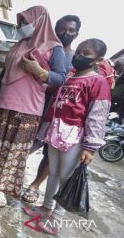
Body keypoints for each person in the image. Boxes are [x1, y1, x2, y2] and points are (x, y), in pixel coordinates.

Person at [0, 6, 66, 208]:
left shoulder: (54, 48)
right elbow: (5, 72)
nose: (22, 27)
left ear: (40, 21)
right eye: (21, 23)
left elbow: (60, 78)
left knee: (13, 152)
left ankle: (0, 188)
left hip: (28, 108)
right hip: (4, 102)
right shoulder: (20, 44)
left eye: (25, 23)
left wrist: (40, 72)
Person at [24, 38, 111, 235]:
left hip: (76, 137)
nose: (80, 55)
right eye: (79, 51)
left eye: (86, 53)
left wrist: (90, 147)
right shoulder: (69, 77)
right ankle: (46, 208)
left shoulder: (97, 82)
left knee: (66, 177)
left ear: (98, 60)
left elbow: (97, 115)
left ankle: (56, 221)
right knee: (53, 172)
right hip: (56, 131)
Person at [21, 15, 81, 204]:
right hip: (35, 104)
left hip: (60, 112)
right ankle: (7, 178)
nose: (67, 33)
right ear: (55, 29)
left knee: (50, 153)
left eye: (71, 30)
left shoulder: (75, 58)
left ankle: (35, 185)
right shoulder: (45, 49)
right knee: (22, 144)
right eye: (63, 29)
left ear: (77, 33)